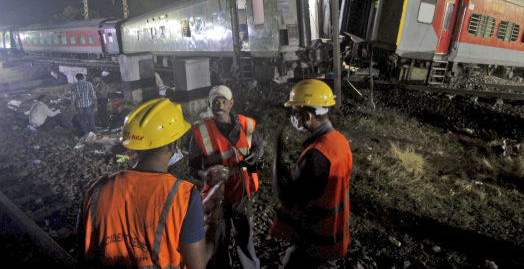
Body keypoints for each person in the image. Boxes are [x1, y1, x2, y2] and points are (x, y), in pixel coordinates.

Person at [78, 99, 224, 269]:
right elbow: (197, 264)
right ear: (172, 144)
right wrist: (213, 222)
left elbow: (85, 253)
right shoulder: (184, 196)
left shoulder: (96, 190)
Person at [270, 79, 353, 269]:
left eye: (295, 112)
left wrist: (277, 151)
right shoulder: (340, 142)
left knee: (291, 263)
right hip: (335, 231)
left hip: (317, 239)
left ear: (307, 116)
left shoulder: (316, 155)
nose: (293, 117)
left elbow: (288, 198)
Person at [189, 85, 262, 269]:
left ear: (231, 103)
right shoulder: (200, 132)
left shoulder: (247, 125)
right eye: (215, 102)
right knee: (218, 243)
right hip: (216, 197)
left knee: (245, 239)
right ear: (209, 105)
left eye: (223, 101)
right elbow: (193, 167)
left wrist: (254, 159)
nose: (219, 105)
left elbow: (258, 148)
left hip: (241, 193)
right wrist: (205, 174)